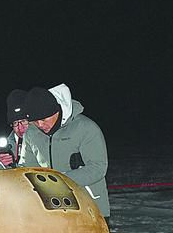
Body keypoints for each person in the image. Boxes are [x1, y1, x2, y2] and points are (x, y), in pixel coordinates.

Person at [21, 83, 110, 218]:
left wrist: (58, 180)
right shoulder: (31, 134)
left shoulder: (86, 128)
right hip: (49, 210)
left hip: (89, 208)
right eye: (34, 121)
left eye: (44, 119)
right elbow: (27, 169)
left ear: (56, 111)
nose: (40, 125)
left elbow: (98, 168)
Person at [0, 89, 30, 168]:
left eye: (24, 121)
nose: (20, 128)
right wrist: (0, 165)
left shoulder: (44, 139)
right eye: (15, 123)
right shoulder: (8, 145)